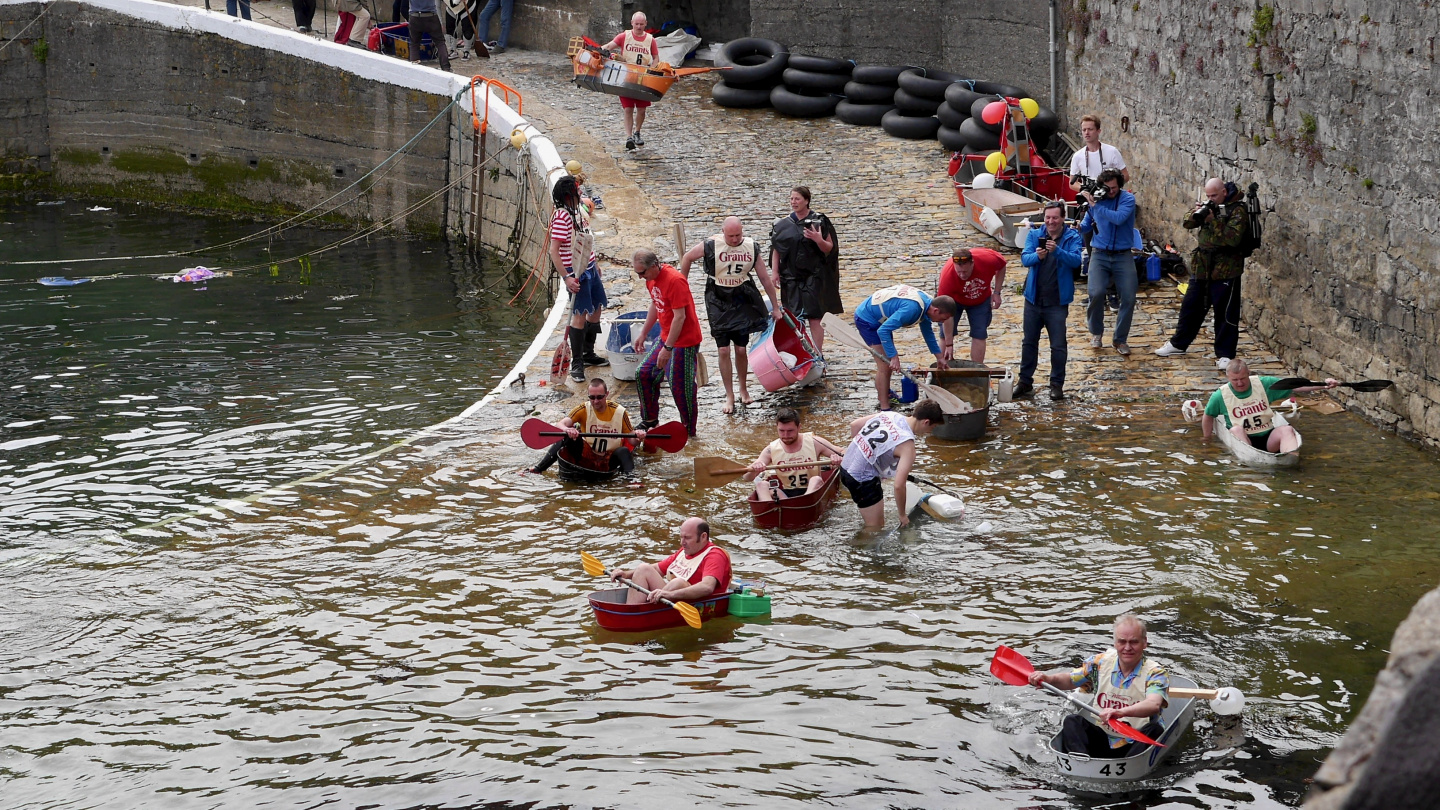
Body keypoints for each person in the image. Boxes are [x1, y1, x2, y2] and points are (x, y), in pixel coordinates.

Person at [1026, 614, 1169, 758]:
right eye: (1122, 641)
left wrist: (1121, 712)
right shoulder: (1099, 663)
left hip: (1137, 740)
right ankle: (1080, 760)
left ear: (1144, 643)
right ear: (1115, 643)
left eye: (1134, 642)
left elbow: (1153, 704)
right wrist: (1048, 678)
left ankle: (1129, 765)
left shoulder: (1156, 673)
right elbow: (1070, 680)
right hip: (1104, 737)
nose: (1127, 648)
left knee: (1154, 729)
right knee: (1072, 721)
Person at [678, 217, 782, 413]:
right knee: (723, 350)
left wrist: (775, 307)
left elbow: (765, 279)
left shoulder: (751, 247)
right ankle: (729, 395)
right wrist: (682, 286)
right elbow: (687, 258)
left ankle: (743, 388)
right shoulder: (710, 245)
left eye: (738, 235)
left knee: (741, 350)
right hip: (717, 298)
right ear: (723, 232)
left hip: (742, 297)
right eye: (731, 236)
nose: (735, 240)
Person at [1156, 178, 1251, 369]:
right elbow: (1186, 223)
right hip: (1202, 266)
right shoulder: (1210, 207)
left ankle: (1225, 354)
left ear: (1224, 192)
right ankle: (1178, 343)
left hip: (1226, 269)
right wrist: (1198, 213)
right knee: (1190, 306)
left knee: (1225, 313)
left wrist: (1213, 221)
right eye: (1208, 195)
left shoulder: (1238, 210)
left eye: (1214, 195)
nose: (1211, 199)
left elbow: (1232, 239)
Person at [840, 400, 944, 529]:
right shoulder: (908, 446)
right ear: (926, 422)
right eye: (932, 428)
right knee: (875, 529)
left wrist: (861, 454)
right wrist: (902, 515)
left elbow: (854, 425)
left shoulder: (889, 415)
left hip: (845, 467)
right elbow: (899, 486)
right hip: (862, 480)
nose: (929, 432)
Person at [1016, 201, 1083, 400]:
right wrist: (1037, 256)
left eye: (1055, 217)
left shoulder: (1072, 236)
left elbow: (1076, 260)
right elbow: (1025, 259)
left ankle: (1056, 384)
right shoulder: (1035, 235)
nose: (1051, 221)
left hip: (1057, 301)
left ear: (1063, 218)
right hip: (1034, 300)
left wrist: (1057, 252)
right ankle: (1025, 382)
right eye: (1047, 217)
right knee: (1029, 342)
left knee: (1058, 345)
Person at [632, 249, 703, 436]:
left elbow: (680, 317)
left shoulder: (675, 280)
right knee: (644, 374)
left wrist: (667, 348)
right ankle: (650, 420)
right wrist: (643, 333)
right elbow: (656, 304)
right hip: (666, 336)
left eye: (642, 273)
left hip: (684, 342)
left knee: (681, 388)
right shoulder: (651, 279)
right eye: (637, 273)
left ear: (654, 266)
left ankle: (688, 430)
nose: (640, 277)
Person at [854, 284, 954, 411]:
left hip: (882, 321)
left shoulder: (928, 305)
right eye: (943, 318)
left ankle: (886, 394)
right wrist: (894, 356)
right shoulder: (912, 309)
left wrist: (939, 357)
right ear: (936, 311)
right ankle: (885, 408)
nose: (942, 322)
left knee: (887, 363)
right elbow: (883, 331)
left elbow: (928, 334)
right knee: (885, 365)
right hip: (867, 320)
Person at [1202, 360, 1337, 453]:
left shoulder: (1264, 383)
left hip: (1268, 437)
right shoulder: (1220, 395)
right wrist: (1207, 438)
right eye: (1235, 380)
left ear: (1248, 373)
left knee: (1287, 430)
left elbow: (1294, 385)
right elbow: (1208, 415)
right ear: (1228, 378)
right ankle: (1250, 457)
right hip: (1243, 438)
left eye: (1243, 378)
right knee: (1236, 429)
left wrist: (1324, 384)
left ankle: (1290, 460)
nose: (1240, 383)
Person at [548, 175, 607, 383]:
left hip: (589, 267)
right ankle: (577, 363)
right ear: (567, 196)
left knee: (597, 307)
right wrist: (567, 278)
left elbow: (586, 237)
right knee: (579, 315)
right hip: (575, 274)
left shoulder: (579, 211)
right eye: (576, 191)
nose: (580, 193)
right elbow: (554, 251)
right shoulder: (561, 218)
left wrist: (595, 263)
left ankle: (588, 353)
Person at [769, 186, 840, 353]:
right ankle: (802, 351)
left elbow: (829, 248)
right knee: (794, 317)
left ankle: (818, 352)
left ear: (806, 201)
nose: (794, 202)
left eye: (797, 199)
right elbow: (777, 249)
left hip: (814, 277)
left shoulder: (819, 221)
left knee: (815, 316)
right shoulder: (782, 224)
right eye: (792, 199)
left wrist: (817, 239)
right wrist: (775, 272)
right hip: (791, 278)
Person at [529, 379, 646, 475]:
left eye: (600, 397)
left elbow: (631, 440)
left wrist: (638, 437)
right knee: (566, 437)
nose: (595, 401)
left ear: (607, 394)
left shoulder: (620, 412)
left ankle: (632, 480)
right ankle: (538, 469)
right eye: (592, 397)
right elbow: (560, 424)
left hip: (610, 458)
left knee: (624, 451)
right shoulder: (583, 409)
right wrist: (567, 430)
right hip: (587, 454)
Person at [1079, 168, 1137, 356]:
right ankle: (1096, 332)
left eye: (1114, 187)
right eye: (1107, 187)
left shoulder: (1127, 199)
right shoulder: (1098, 200)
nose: (1111, 191)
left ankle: (1120, 340)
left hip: (1123, 254)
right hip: (1100, 253)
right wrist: (1081, 219)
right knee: (1095, 293)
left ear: (1120, 185)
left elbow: (1119, 218)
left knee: (1128, 297)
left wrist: (1096, 206)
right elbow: (1087, 224)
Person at [609, 517, 732, 605]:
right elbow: (657, 569)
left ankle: (644, 612)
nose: (682, 542)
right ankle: (633, 610)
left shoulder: (715, 555)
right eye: (681, 537)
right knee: (643, 568)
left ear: (703, 536)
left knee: (678, 582)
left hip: (693, 602)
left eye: (687, 538)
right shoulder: (685, 551)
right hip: (671, 598)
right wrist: (626, 574)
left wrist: (669, 595)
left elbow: (707, 587)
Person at [745, 408, 844, 502]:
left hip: (813, 490)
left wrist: (837, 458)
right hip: (787, 495)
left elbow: (843, 452)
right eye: (781, 431)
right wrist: (755, 469)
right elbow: (747, 478)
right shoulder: (770, 449)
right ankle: (769, 509)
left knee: (816, 479)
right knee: (761, 485)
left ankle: (805, 502)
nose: (785, 436)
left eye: (790, 431)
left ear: (799, 427)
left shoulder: (815, 442)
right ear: (777, 428)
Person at [936, 246, 1006, 365]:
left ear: (972, 263)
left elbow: (1002, 265)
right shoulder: (947, 278)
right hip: (954, 300)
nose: (962, 275)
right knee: (944, 334)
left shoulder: (988, 259)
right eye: (959, 272)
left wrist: (997, 292)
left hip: (980, 298)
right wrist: (949, 344)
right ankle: (941, 367)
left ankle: (977, 370)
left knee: (979, 333)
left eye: (965, 272)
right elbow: (946, 316)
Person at [603, 13, 658, 150]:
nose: (639, 27)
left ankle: (637, 132)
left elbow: (656, 57)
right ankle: (629, 137)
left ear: (645, 24)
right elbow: (609, 46)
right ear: (632, 23)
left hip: (643, 78)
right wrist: (594, 50)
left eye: (641, 24)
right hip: (625, 77)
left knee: (641, 109)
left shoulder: (651, 40)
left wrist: (652, 69)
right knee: (628, 108)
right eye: (636, 24)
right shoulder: (624, 36)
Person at [1068, 114, 1129, 191]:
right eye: (1084, 130)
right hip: (1089, 199)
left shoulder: (1112, 151)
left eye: (1090, 129)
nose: (1087, 133)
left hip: (1110, 197)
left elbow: (1125, 176)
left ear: (1098, 131)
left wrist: (1111, 188)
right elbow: (1072, 183)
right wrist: (1087, 190)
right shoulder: (1077, 156)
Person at [405, 0, 452, 72]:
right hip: (431, 16)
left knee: (414, 44)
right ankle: (446, 68)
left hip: (414, 16)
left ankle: (414, 68)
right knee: (440, 43)